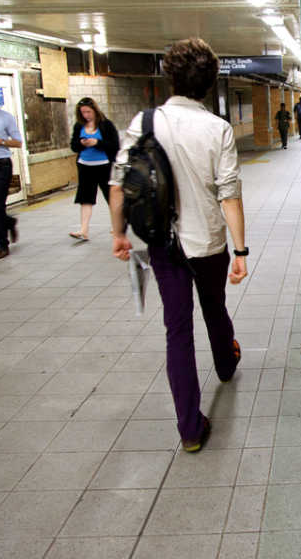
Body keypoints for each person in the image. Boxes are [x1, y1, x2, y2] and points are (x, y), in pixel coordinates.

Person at [109, 38, 248, 452]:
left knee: (178, 332)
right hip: (206, 242)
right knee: (215, 307)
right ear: (209, 83)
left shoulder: (144, 122)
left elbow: (119, 184)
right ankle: (226, 362)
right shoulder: (217, 128)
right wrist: (240, 251)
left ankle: (190, 428)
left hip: (163, 244)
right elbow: (229, 194)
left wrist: (118, 234)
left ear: (169, 77)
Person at [69, 97, 119, 241]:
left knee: (111, 197)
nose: (86, 115)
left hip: (104, 166)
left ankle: (117, 226)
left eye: (88, 112)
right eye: (83, 112)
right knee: (85, 199)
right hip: (85, 166)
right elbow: (73, 145)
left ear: (95, 110)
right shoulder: (79, 126)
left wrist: (97, 142)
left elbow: (114, 145)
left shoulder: (105, 125)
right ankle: (84, 230)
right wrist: (82, 143)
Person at [0, 80, 22, 260]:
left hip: (1, 165)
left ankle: (2, 245)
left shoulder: (4, 117)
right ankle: (9, 222)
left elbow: (18, 142)